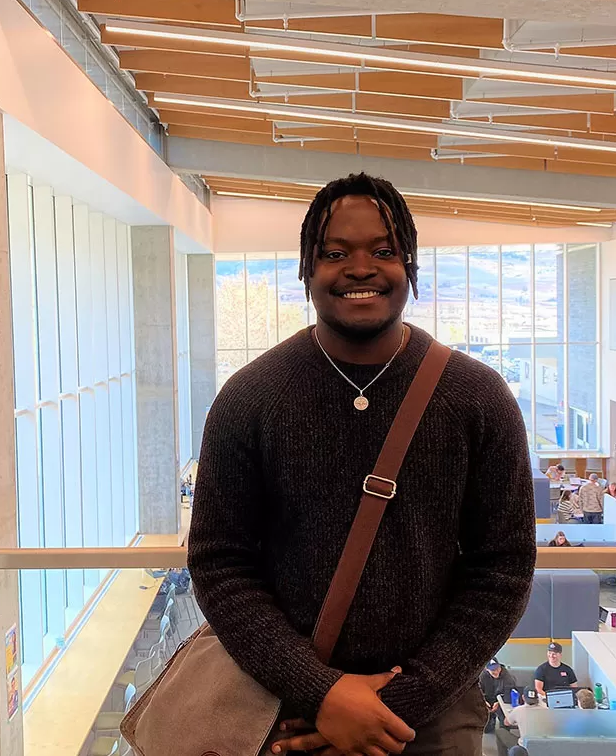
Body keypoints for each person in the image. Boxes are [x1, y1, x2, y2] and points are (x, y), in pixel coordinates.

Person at [188, 173, 537, 756]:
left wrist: (391, 706)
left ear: (411, 269)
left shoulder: (477, 398)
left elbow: (502, 570)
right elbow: (219, 564)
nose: (360, 268)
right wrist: (322, 694)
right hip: (285, 712)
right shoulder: (250, 399)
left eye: (383, 251)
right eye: (334, 253)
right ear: (306, 270)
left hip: (430, 713)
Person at [498, 689, 541, 756]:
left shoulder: (518, 710)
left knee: (500, 731)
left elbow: (506, 723)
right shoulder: (546, 709)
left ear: (523, 697)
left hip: (524, 748)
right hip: (541, 746)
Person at [480, 659, 519, 732]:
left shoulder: (508, 677)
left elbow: (508, 693)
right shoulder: (483, 676)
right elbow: (479, 691)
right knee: (487, 730)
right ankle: (490, 720)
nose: (496, 671)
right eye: (493, 670)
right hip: (488, 699)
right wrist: (484, 701)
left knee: (504, 726)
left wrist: (498, 702)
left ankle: (503, 730)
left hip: (502, 699)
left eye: (497, 668)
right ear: (487, 669)